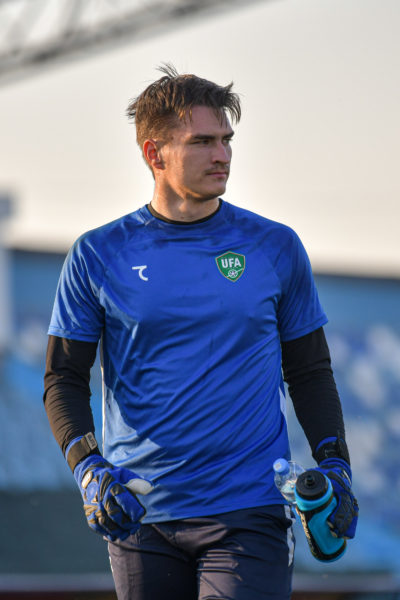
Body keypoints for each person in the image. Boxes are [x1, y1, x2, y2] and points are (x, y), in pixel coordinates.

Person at [43, 65, 358, 600]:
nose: (223, 155)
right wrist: (88, 468)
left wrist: (335, 465)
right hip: (140, 512)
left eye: (227, 140)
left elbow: (309, 371)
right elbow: (63, 378)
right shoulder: (97, 254)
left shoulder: (275, 246)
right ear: (154, 153)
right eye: (203, 141)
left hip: (249, 508)